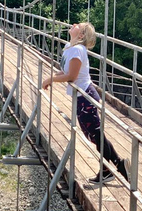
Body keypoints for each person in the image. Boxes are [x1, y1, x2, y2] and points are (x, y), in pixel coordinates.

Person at [41, 22, 129, 184]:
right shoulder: (69, 47)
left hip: (86, 97)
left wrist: (51, 78)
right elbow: (66, 71)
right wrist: (54, 76)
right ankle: (108, 169)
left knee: (95, 135)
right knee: (93, 135)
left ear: (80, 35)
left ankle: (118, 165)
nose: (73, 24)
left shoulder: (77, 50)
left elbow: (71, 77)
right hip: (81, 97)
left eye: (77, 26)